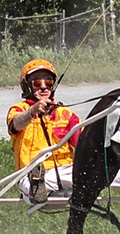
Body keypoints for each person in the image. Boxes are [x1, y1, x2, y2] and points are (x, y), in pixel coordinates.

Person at [8, 59, 80, 203]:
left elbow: (84, 141)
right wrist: (32, 111)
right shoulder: (19, 109)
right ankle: (40, 190)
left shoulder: (65, 113)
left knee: (116, 174)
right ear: (27, 87)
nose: (43, 87)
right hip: (32, 173)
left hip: (67, 171)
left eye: (48, 83)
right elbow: (15, 124)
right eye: (36, 83)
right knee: (34, 184)